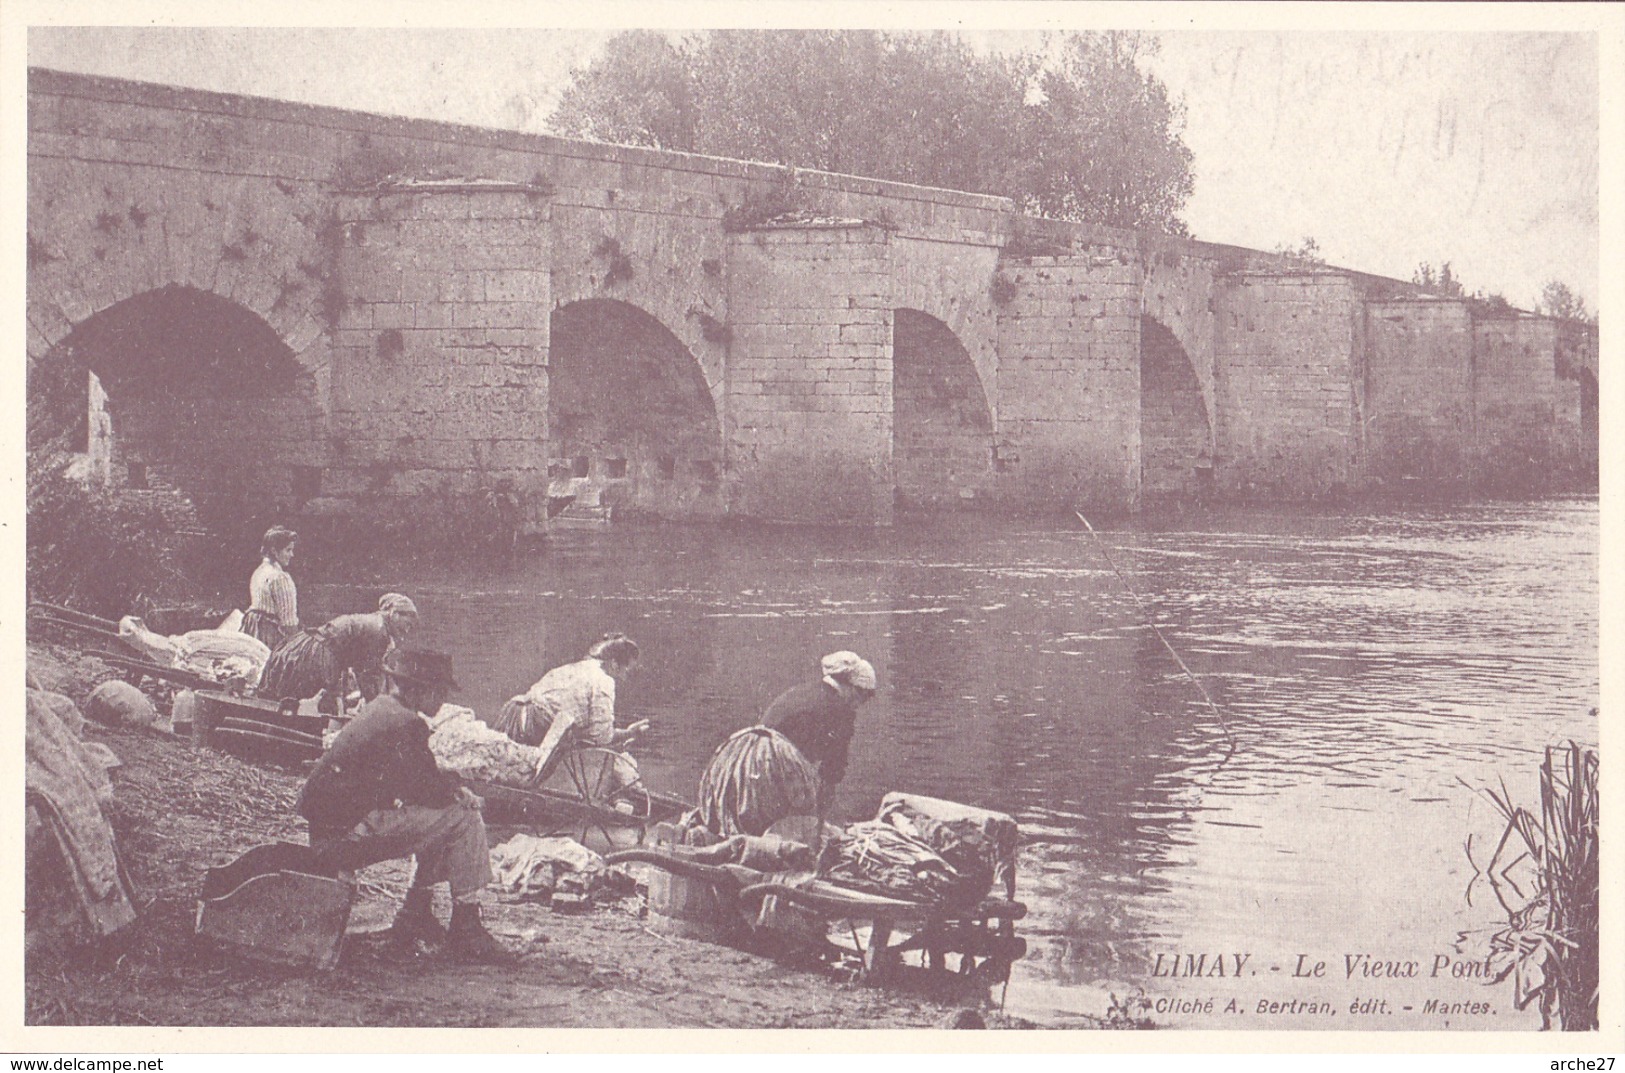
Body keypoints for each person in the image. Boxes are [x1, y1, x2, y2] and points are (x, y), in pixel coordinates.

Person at [297, 648, 512, 962]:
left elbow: (412, 782)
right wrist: (460, 789)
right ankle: (467, 925)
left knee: (440, 821)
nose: (442, 701)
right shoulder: (408, 723)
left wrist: (446, 784)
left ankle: (416, 913)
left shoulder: (380, 708)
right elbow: (428, 790)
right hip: (343, 838)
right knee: (463, 817)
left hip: (329, 830)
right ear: (420, 690)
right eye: (439, 692)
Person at [493, 632, 650, 784]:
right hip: (536, 726)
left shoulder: (577, 667)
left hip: (512, 714)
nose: (626, 675)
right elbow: (601, 737)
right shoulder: (604, 681)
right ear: (615, 664)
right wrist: (628, 734)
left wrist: (626, 732)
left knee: (504, 772)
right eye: (627, 668)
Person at [259, 593, 418, 714]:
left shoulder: (375, 624)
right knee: (307, 705)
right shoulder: (379, 630)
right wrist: (375, 711)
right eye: (407, 623)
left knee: (290, 701)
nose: (407, 630)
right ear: (394, 613)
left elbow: (368, 668)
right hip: (316, 655)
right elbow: (367, 674)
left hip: (308, 646)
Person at [761, 651, 877, 810]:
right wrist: (820, 818)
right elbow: (832, 771)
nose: (860, 704)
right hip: (774, 766)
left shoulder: (800, 691)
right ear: (851, 687)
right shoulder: (841, 711)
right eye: (863, 696)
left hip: (745, 757)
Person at [240, 526, 299, 650]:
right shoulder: (280, 578)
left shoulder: (259, 571)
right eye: (288, 550)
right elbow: (289, 623)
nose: (292, 555)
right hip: (270, 636)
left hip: (252, 630)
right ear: (274, 550)